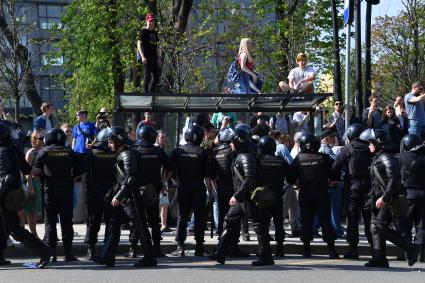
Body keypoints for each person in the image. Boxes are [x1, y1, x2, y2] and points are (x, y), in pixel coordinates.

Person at [95, 126, 157, 268]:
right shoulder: (122, 154)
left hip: (133, 199)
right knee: (113, 224)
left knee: (140, 228)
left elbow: (131, 179)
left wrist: (118, 196)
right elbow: (122, 180)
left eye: (111, 142)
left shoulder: (127, 155)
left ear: (119, 141)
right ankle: (107, 256)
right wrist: (113, 193)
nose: (109, 145)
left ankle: (150, 258)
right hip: (126, 199)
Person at [209, 127, 272, 266]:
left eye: (232, 142)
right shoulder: (238, 155)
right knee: (229, 220)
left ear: (239, 142)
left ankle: (266, 256)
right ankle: (221, 252)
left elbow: (250, 179)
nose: (230, 144)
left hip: (247, 197)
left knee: (258, 225)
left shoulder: (246, 156)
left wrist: (236, 196)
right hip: (241, 197)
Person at [360, 128, 420, 267]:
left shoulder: (386, 158)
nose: (369, 145)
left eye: (371, 143)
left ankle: (410, 247)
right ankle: (379, 259)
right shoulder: (378, 158)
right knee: (375, 226)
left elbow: (394, 179)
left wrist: (384, 198)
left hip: (389, 199)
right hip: (380, 199)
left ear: (378, 143)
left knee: (379, 226)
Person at [0, 123, 52, 268]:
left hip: (6, 196)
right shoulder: (13, 148)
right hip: (13, 193)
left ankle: (44, 252)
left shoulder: (3, 151)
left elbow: (6, 176)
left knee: (15, 230)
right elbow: (26, 169)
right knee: (3, 227)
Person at [28, 128, 84, 262]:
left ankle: (51, 254)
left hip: (49, 191)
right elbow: (80, 167)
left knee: (50, 223)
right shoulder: (69, 151)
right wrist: (71, 177)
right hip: (66, 191)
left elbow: (36, 171)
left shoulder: (43, 151)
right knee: (66, 222)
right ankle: (68, 253)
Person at [290, 133, 339, 259]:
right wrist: (331, 180)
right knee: (325, 222)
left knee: (306, 222)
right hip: (322, 193)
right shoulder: (324, 158)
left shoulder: (298, 159)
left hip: (305, 194)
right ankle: (331, 250)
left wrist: (297, 182)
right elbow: (335, 170)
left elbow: (290, 177)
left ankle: (307, 250)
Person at [170, 125, 214, 256]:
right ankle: (199, 247)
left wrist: (170, 183)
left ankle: (180, 246)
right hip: (198, 189)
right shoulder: (202, 152)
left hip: (183, 188)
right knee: (200, 218)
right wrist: (210, 193)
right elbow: (207, 176)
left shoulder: (178, 151)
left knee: (182, 217)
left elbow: (169, 169)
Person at [332, 123, 372, 259]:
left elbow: (335, 167)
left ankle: (353, 250)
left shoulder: (347, 149)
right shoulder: (369, 148)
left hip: (352, 188)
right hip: (368, 188)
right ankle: (375, 249)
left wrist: (335, 179)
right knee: (369, 219)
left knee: (352, 219)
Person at [132, 126, 172, 258]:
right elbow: (170, 167)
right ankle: (157, 249)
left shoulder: (134, 150)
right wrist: (163, 182)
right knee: (154, 221)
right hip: (153, 190)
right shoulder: (158, 151)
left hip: (137, 189)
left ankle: (133, 249)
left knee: (138, 220)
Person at [258, 135, 293, 257]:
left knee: (263, 224)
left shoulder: (259, 161)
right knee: (279, 224)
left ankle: (264, 249)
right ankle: (280, 248)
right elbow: (291, 178)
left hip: (263, 197)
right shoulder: (281, 161)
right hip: (278, 196)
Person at [84, 128, 116, 260]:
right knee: (110, 222)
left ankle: (91, 249)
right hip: (111, 192)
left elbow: (81, 168)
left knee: (93, 222)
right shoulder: (116, 153)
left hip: (94, 192)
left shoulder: (92, 153)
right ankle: (107, 250)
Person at [398, 134, 425, 263]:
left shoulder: (403, 157)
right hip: (423, 193)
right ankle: (421, 252)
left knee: (405, 224)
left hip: (408, 194)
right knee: (421, 225)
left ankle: (407, 250)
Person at [23, 130, 45, 238]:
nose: (42, 140)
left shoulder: (45, 151)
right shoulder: (31, 153)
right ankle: (34, 234)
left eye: (43, 138)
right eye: (40, 138)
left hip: (43, 182)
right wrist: (30, 187)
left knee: (38, 210)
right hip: (34, 182)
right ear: (34, 140)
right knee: (32, 211)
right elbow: (27, 172)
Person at [137, 12, 160, 93]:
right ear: (147, 21)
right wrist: (142, 56)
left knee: (156, 77)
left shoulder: (154, 32)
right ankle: (146, 95)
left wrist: (158, 57)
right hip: (146, 57)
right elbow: (139, 44)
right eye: (150, 21)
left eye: (153, 21)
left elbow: (156, 45)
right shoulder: (143, 31)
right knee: (147, 76)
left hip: (154, 57)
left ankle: (151, 93)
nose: (151, 23)